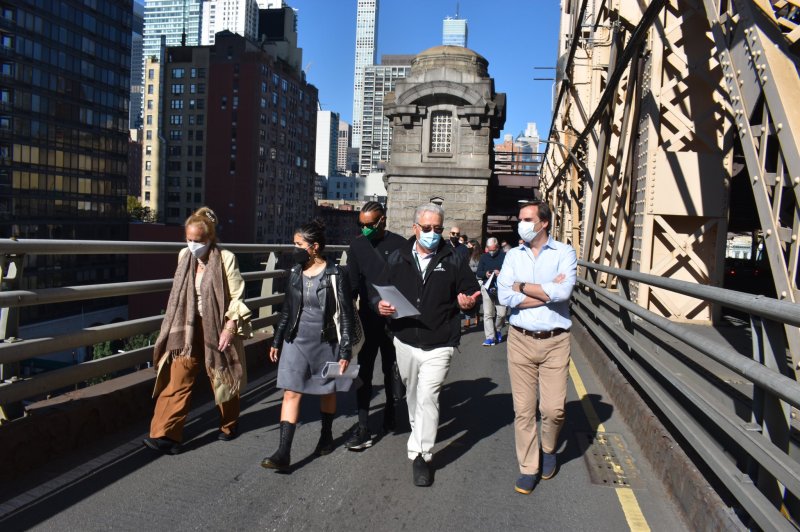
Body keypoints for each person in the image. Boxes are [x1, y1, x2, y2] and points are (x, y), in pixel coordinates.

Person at [376, 203, 480, 487]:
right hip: (406, 340)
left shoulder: (454, 258)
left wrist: (469, 302)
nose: (433, 234)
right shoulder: (398, 258)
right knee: (412, 394)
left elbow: (471, 291)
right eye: (427, 228)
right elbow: (381, 291)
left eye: (437, 229)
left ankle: (422, 454)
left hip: (440, 341)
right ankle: (418, 434)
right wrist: (380, 306)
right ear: (415, 229)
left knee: (428, 396)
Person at [144, 207, 251, 454]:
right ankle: (166, 435)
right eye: (189, 240)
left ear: (210, 238)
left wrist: (230, 327)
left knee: (221, 376)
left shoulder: (225, 258)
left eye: (198, 241)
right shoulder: (184, 256)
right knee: (177, 376)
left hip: (218, 326)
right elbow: (180, 294)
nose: (193, 246)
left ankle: (229, 424)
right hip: (187, 327)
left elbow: (237, 295)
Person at [262, 220, 355, 471]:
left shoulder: (336, 274)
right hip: (296, 339)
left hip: (327, 341)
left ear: (314, 247)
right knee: (291, 391)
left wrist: (346, 349)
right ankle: (283, 452)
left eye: (298, 244)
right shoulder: (295, 272)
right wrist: (277, 338)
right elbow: (286, 310)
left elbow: (346, 314)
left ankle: (326, 434)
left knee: (328, 390)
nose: (295, 249)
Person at [497, 201, 577, 495]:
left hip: (556, 340)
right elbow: (505, 296)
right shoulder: (512, 256)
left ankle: (550, 447)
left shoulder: (564, 253)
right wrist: (544, 291)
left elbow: (564, 291)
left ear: (543, 223)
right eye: (520, 219)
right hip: (519, 339)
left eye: (527, 219)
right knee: (524, 411)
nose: (522, 223)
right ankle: (528, 468)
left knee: (553, 409)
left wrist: (522, 287)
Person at [344, 201, 407, 450]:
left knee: (391, 367)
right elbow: (352, 284)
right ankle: (363, 426)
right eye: (361, 224)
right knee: (364, 373)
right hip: (369, 318)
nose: (365, 228)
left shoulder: (401, 244)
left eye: (370, 224)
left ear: (383, 220)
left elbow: (407, 282)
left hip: (395, 319)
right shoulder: (357, 245)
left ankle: (391, 409)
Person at [476, 237, 507, 347]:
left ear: (498, 247)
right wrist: (486, 274)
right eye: (489, 250)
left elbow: (510, 272)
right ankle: (490, 337)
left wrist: (501, 273)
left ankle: (498, 328)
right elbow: (479, 272)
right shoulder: (484, 257)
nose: (491, 252)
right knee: (488, 314)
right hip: (487, 287)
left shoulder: (504, 256)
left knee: (502, 313)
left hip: (501, 288)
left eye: (493, 250)